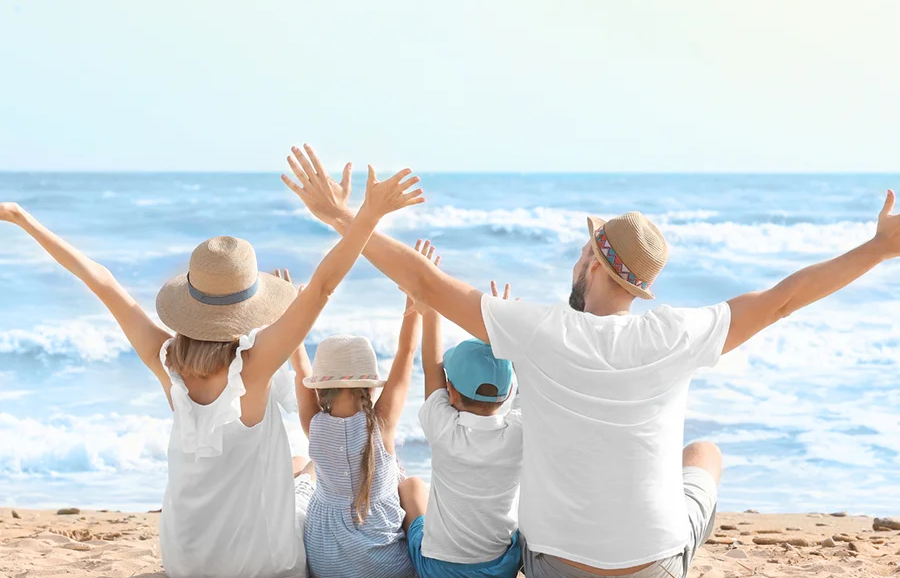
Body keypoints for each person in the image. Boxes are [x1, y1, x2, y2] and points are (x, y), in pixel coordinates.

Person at [281, 144, 900, 577]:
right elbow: (785, 299)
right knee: (705, 456)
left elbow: (427, 281)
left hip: (554, 564)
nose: (576, 263)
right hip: (655, 563)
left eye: (583, 253)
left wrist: (343, 216)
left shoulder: (539, 331)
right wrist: (878, 248)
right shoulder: (677, 333)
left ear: (594, 264)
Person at [0, 161, 423, 578]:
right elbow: (324, 286)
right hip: (261, 563)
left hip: (186, 560)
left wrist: (22, 219)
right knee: (305, 479)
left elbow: (102, 281)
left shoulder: (167, 363)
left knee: (300, 464)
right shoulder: (253, 369)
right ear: (249, 309)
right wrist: (366, 215)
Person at [293, 237, 429, 578]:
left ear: (321, 387)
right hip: (387, 568)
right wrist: (414, 298)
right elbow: (406, 354)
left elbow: (299, 369)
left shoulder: (314, 424)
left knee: (306, 468)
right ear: (370, 384)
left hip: (326, 564)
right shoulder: (380, 424)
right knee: (407, 481)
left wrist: (295, 315)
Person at [402, 243, 524, 578]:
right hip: (502, 566)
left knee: (411, 487)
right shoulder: (521, 431)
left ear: (450, 391)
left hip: (439, 568)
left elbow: (431, 369)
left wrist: (429, 310)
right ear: (510, 391)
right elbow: (528, 375)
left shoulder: (443, 429)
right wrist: (507, 329)